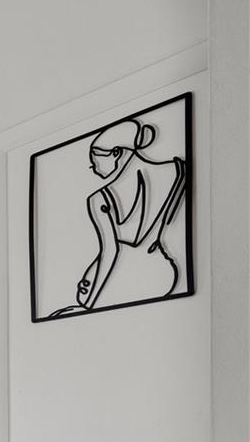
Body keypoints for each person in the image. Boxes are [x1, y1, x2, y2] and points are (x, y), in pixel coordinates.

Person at [57, 117, 186, 316]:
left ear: (116, 153)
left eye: (95, 159)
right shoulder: (178, 170)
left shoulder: (100, 199)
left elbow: (110, 252)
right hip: (161, 273)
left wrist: (87, 306)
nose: (93, 167)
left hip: (119, 282)